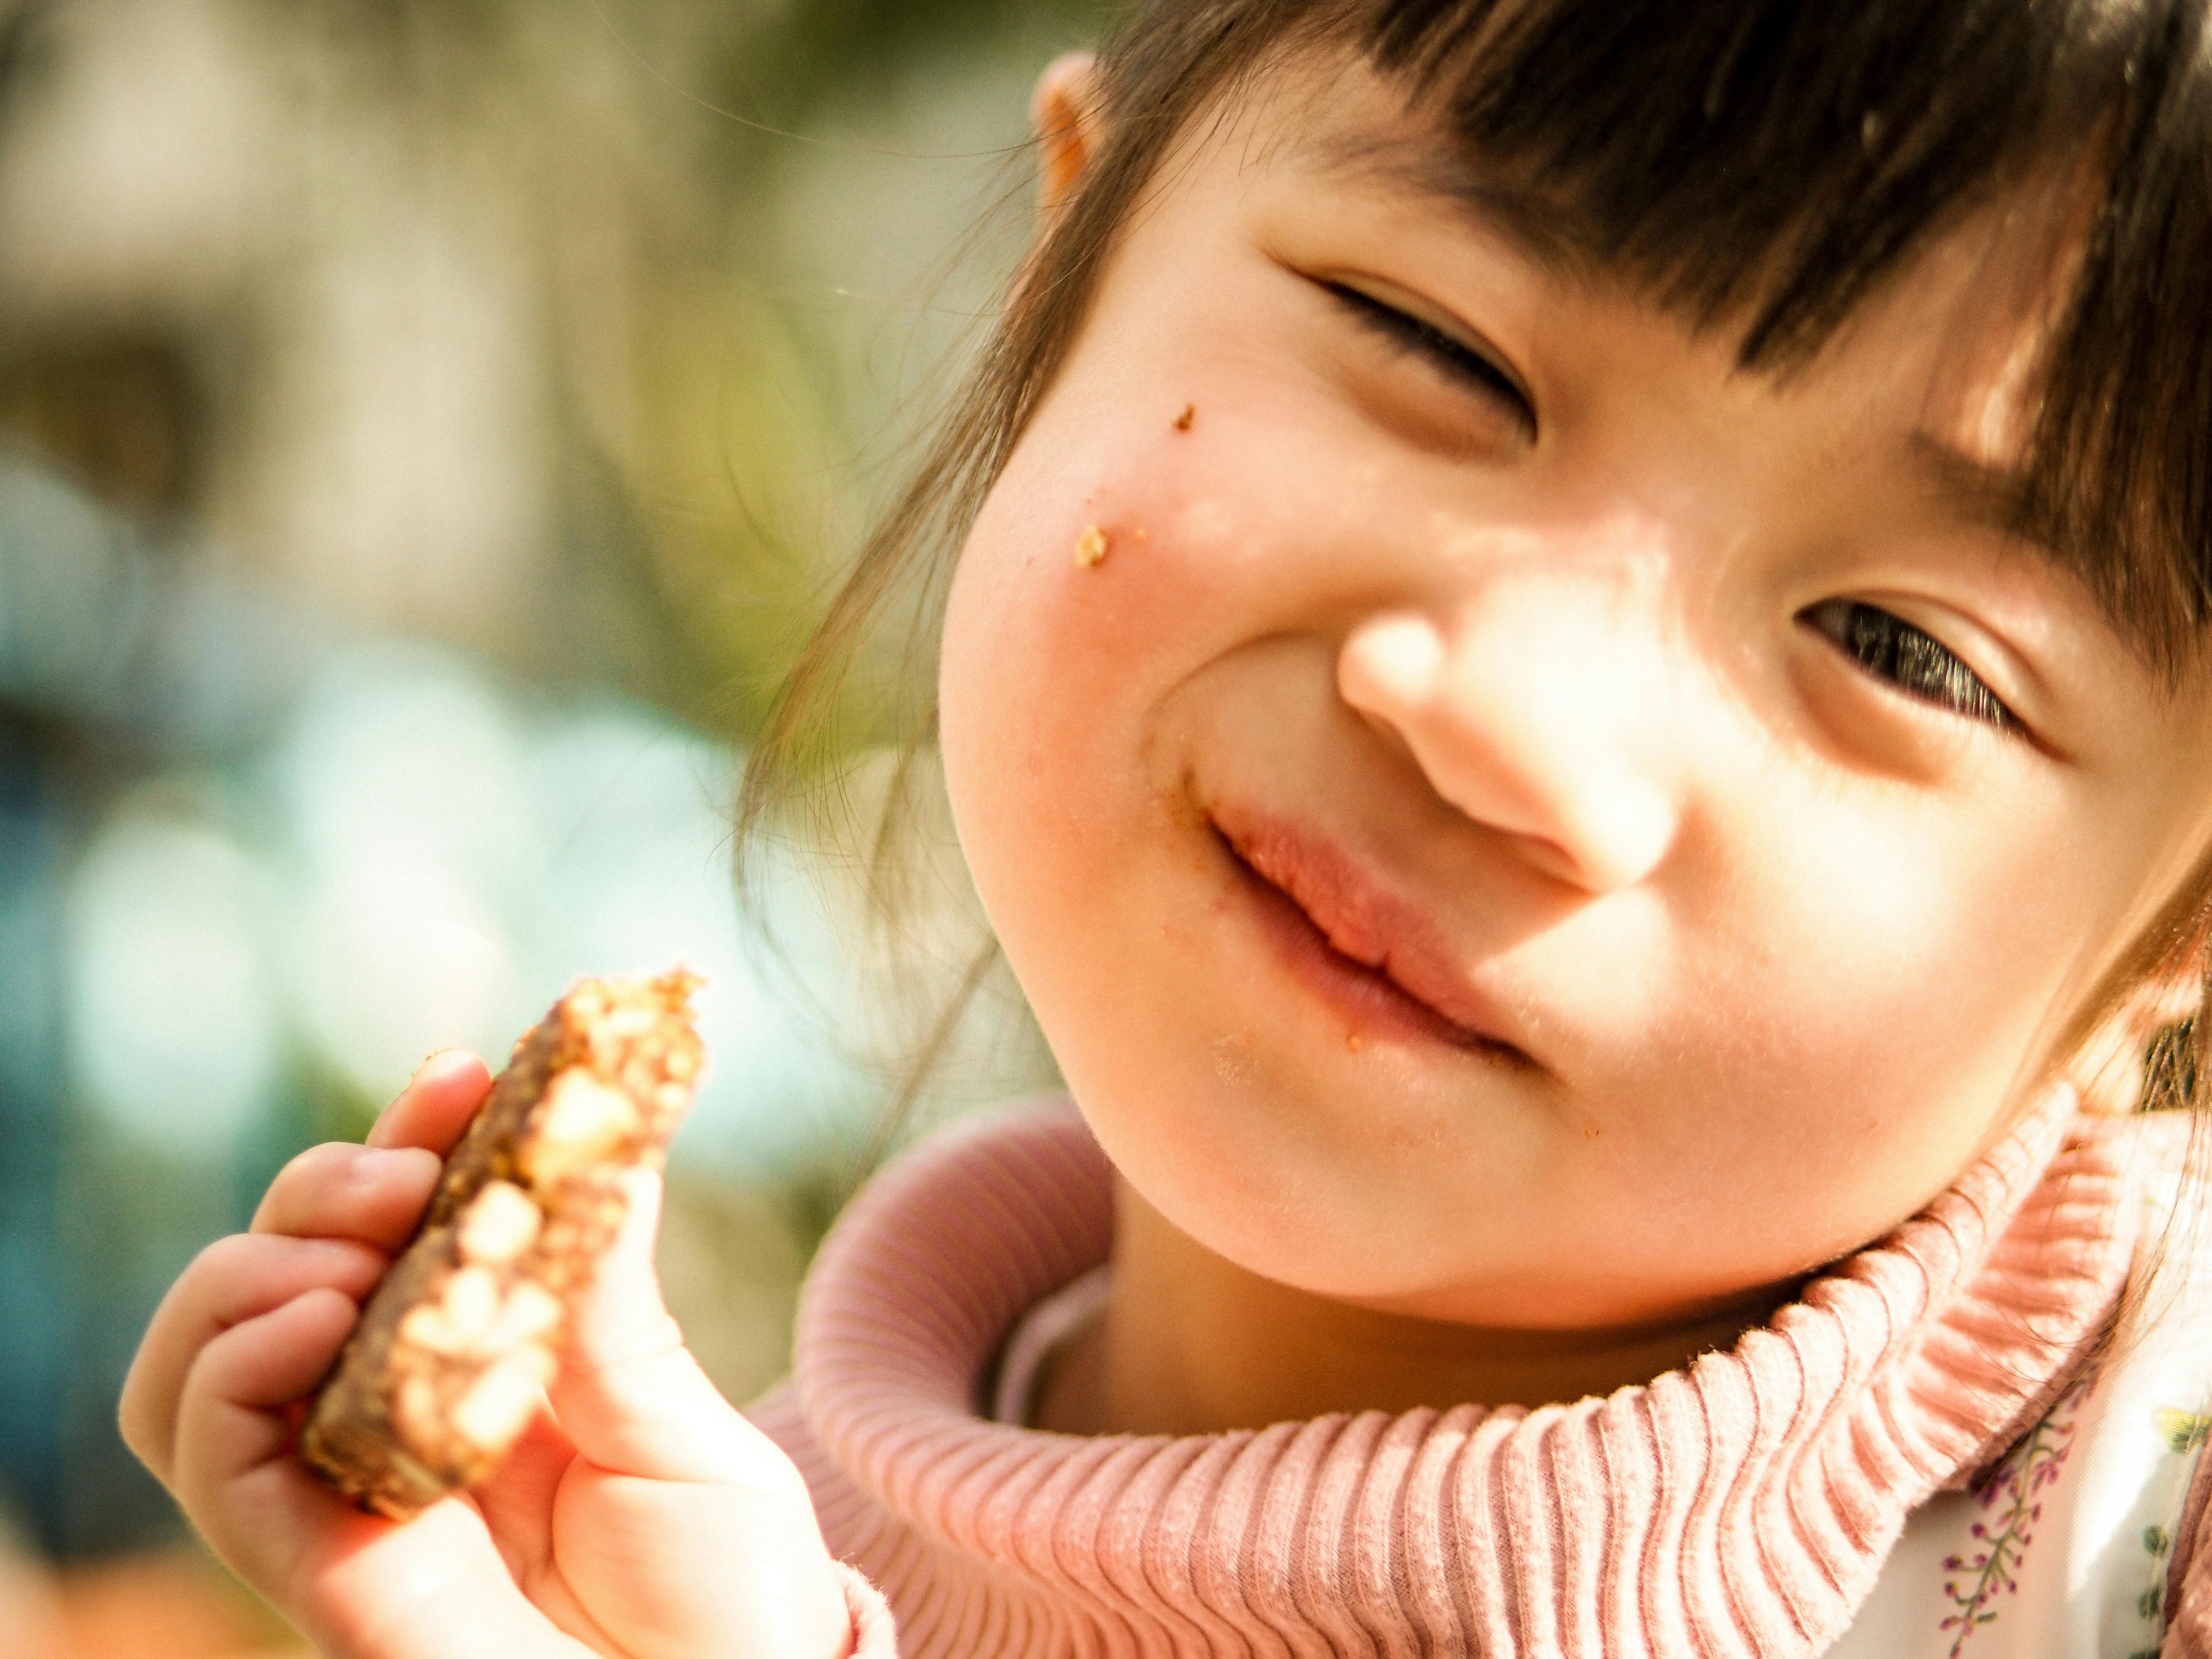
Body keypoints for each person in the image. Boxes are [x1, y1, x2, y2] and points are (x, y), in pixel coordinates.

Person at [116, 1, 2212, 1653]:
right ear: (1065, 273)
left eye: (1903, 647)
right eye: (1435, 343)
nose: (1509, 726)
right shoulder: (676, 1576)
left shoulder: (2154, 1513)